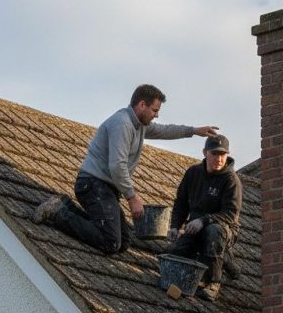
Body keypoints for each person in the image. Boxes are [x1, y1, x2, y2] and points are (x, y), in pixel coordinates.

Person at [33, 84, 218, 254]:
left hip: (106, 188)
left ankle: (66, 206)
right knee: (111, 242)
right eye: (155, 110)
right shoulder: (122, 124)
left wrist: (194, 131)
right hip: (92, 184)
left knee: (124, 242)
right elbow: (117, 165)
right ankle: (59, 213)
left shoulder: (140, 125)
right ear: (142, 105)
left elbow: (165, 130)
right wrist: (132, 197)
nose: (156, 115)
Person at [167, 134, 242, 302]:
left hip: (224, 228)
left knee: (213, 232)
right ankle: (225, 259)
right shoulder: (193, 173)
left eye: (222, 154)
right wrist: (175, 226)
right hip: (195, 227)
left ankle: (213, 282)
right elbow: (181, 202)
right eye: (214, 153)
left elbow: (231, 213)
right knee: (174, 254)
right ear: (205, 153)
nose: (219, 158)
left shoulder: (231, 180)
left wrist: (203, 220)